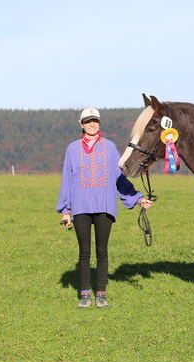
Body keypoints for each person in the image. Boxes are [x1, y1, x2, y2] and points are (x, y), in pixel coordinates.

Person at [56, 107, 153, 308]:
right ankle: (84, 294)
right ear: (81, 124)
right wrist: (66, 210)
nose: (92, 124)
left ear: (99, 124)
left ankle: (100, 293)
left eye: (95, 121)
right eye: (88, 121)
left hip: (104, 206)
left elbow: (119, 178)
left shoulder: (109, 148)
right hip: (80, 207)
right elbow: (67, 179)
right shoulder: (72, 149)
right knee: (84, 252)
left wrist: (137, 198)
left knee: (102, 251)